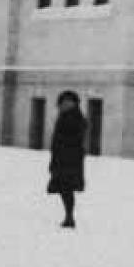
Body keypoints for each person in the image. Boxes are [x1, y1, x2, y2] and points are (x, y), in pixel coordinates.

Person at [47, 91, 88, 228]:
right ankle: (69, 216)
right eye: (63, 102)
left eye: (67, 102)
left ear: (73, 103)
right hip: (62, 158)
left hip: (70, 159)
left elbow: (74, 138)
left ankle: (69, 217)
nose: (64, 105)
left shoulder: (75, 118)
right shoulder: (64, 116)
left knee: (66, 188)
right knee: (64, 188)